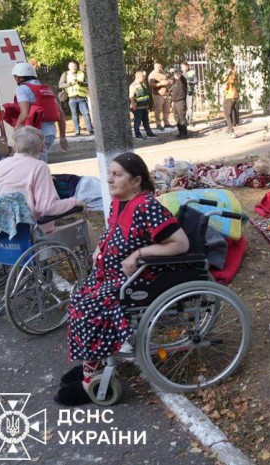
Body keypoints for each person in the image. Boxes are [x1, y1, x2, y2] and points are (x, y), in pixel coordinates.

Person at [55, 152, 190, 406]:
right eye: (110, 174)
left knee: (88, 309)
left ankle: (89, 383)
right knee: (78, 300)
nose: (109, 180)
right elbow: (113, 231)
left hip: (140, 279)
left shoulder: (148, 207)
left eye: (117, 175)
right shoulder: (119, 202)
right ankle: (91, 364)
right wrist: (100, 249)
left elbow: (181, 243)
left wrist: (140, 253)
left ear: (137, 180)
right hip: (112, 274)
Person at [0, 126, 82, 234]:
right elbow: (47, 208)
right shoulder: (39, 167)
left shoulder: (1, 164)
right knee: (84, 227)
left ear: (15, 145)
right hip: (31, 232)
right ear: (41, 147)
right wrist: (75, 202)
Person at [11, 62, 67, 162]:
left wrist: (17, 127)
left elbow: (25, 113)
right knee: (39, 163)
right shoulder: (45, 89)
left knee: (34, 166)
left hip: (34, 135)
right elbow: (61, 114)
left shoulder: (22, 88)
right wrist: (62, 137)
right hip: (50, 134)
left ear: (18, 78)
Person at [58, 60, 93, 136]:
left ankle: (90, 129)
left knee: (86, 113)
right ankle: (77, 130)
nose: (74, 67)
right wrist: (70, 83)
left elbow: (89, 83)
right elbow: (60, 85)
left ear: (77, 66)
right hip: (72, 98)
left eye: (75, 66)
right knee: (74, 115)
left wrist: (80, 83)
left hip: (81, 97)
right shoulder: (66, 74)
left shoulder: (82, 73)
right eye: (72, 66)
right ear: (69, 67)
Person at [128, 71, 156, 140]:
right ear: (137, 77)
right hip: (138, 107)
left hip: (144, 106)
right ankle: (137, 135)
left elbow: (147, 95)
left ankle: (149, 133)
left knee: (146, 121)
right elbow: (131, 96)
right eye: (142, 77)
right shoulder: (133, 85)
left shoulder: (143, 84)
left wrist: (150, 104)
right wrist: (133, 105)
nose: (144, 78)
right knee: (137, 122)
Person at [148, 61, 172, 131]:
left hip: (166, 94)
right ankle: (158, 124)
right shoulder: (152, 75)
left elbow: (165, 80)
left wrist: (168, 82)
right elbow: (151, 85)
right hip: (157, 95)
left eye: (160, 66)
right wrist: (161, 84)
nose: (159, 68)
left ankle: (166, 123)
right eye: (158, 67)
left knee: (167, 109)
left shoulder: (163, 72)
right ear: (155, 67)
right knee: (158, 110)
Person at [170, 67, 189, 139]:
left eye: (176, 73)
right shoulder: (175, 81)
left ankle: (184, 133)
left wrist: (175, 70)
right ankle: (180, 132)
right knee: (176, 118)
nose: (175, 75)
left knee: (182, 118)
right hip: (175, 102)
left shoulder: (182, 80)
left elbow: (180, 76)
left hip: (180, 101)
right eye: (175, 74)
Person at [223, 63, 239, 138]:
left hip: (230, 96)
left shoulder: (231, 75)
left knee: (227, 114)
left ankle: (231, 131)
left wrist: (228, 74)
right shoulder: (235, 74)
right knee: (230, 113)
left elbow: (227, 81)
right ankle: (229, 130)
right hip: (234, 96)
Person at [181, 61, 196, 126]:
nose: (184, 68)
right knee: (183, 107)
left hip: (190, 91)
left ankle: (189, 121)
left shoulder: (192, 72)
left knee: (190, 107)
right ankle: (184, 120)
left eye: (185, 67)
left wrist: (189, 82)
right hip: (182, 92)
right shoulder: (180, 74)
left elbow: (195, 81)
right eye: (182, 67)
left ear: (187, 66)